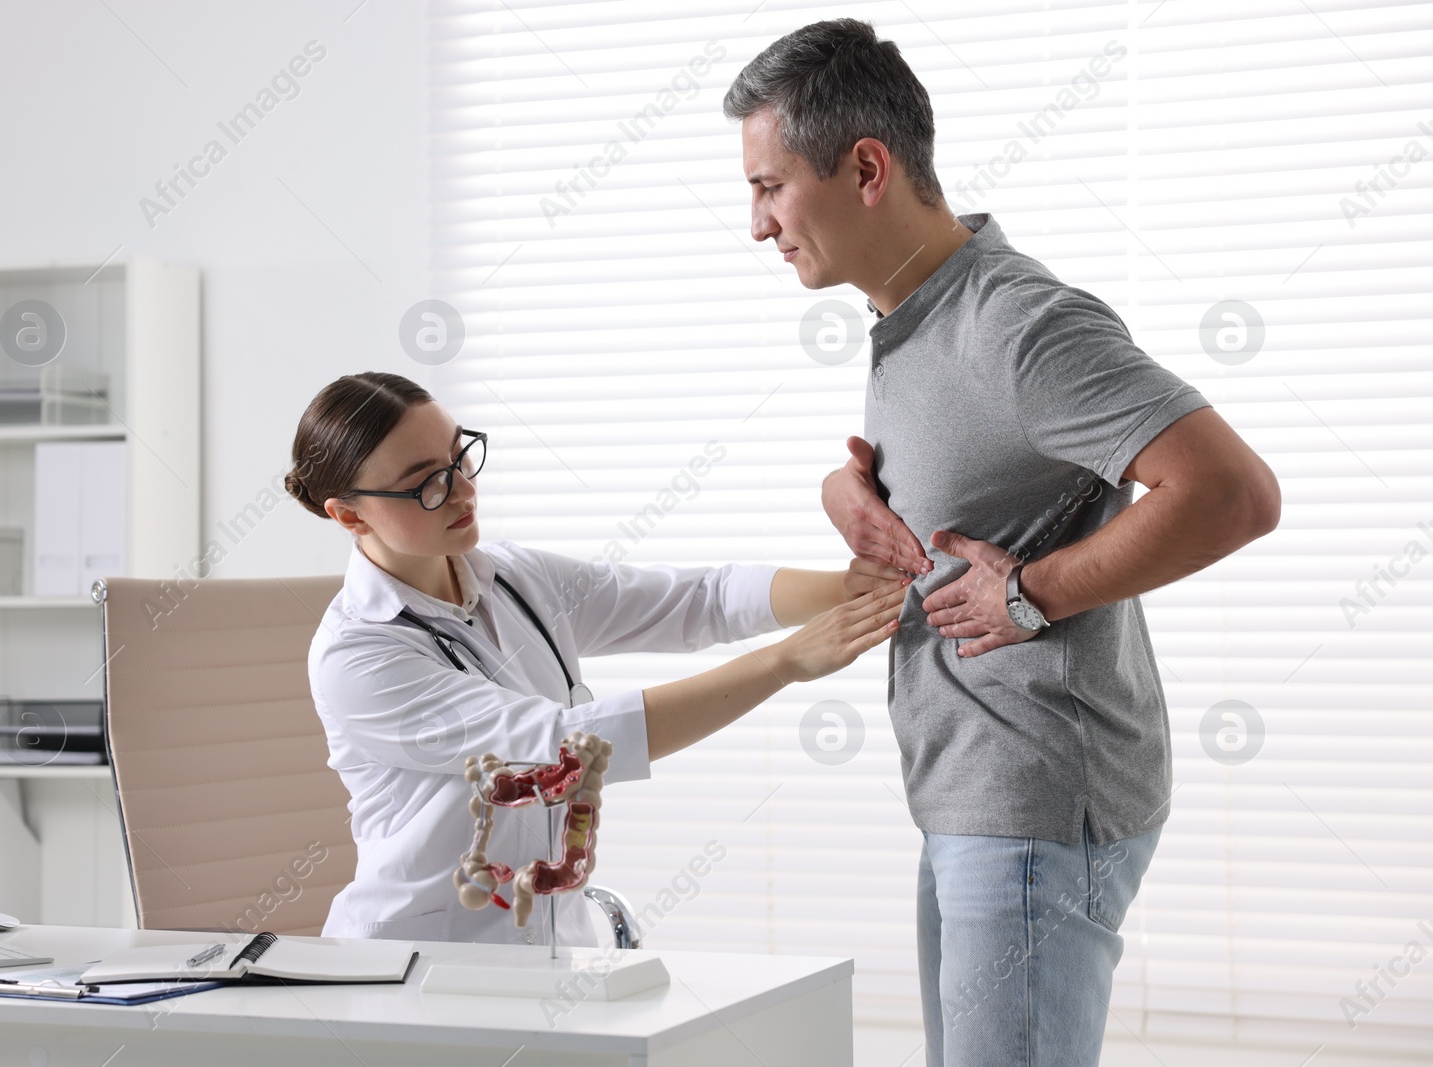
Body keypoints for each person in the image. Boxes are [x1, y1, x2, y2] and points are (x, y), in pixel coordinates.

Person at [722, 20, 1281, 1067]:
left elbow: (1230, 492)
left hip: (1030, 801)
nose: (757, 224)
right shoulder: (915, 315)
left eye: (769, 186)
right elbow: (979, 483)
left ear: (866, 168)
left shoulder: (1016, 323)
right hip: (976, 791)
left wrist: (1031, 590)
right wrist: (844, 489)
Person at [283, 370, 907, 946]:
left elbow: (698, 599)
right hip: (417, 964)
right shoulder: (358, 656)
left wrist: (845, 590)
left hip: (551, 946)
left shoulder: (514, 580)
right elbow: (567, 747)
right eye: (425, 483)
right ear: (347, 514)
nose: (462, 490)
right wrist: (784, 663)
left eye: (459, 457)